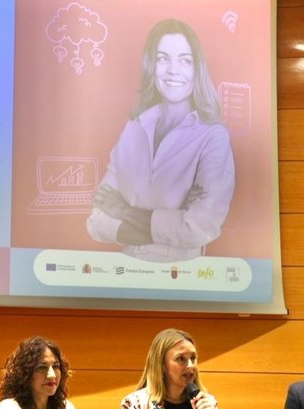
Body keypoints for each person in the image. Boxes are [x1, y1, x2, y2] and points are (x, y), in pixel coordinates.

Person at [86, 18, 235, 262]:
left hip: (182, 275)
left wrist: (124, 210)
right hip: (125, 270)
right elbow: (97, 221)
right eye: (163, 58)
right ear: (150, 66)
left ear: (197, 69)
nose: (173, 70)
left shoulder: (213, 137)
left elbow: (199, 228)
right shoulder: (132, 130)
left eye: (185, 60)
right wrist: (173, 219)